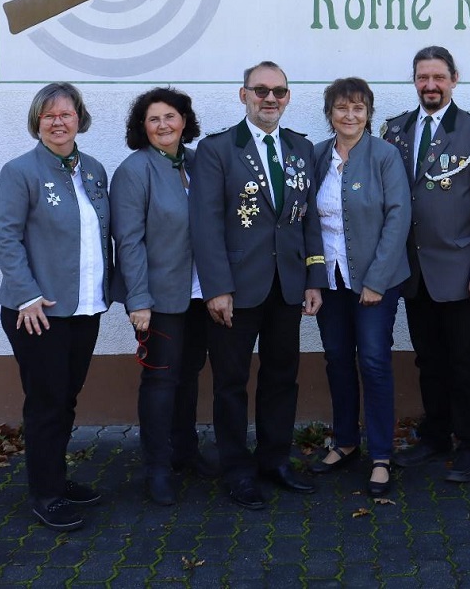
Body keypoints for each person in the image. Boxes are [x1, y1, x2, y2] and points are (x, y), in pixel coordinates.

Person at [189, 61, 326, 509]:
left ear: (288, 97)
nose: (271, 99)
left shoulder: (300, 148)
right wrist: (216, 288)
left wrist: (314, 277)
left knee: (282, 378)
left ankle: (275, 460)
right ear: (243, 94)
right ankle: (236, 468)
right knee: (231, 382)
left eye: (279, 92)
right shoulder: (218, 150)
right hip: (235, 288)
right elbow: (205, 225)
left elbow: (307, 221)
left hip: (287, 286)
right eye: (261, 90)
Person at [381, 46, 470, 483]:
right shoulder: (395, 130)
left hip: (462, 271)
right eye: (422, 77)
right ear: (414, 80)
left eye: (438, 77)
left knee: (465, 361)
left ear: (454, 78)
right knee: (427, 360)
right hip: (413, 272)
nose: (430, 85)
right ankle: (435, 436)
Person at [0, 82, 110, 532]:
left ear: (80, 118)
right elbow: (5, 236)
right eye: (49, 115)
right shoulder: (19, 171)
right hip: (36, 311)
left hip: (84, 308)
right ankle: (45, 493)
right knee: (46, 402)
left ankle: (56, 479)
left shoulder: (94, 170)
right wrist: (26, 293)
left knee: (66, 399)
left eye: (66, 113)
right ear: (37, 122)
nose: (58, 122)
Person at [110, 87, 217, 507]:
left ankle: (184, 452)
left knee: (189, 373)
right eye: (153, 119)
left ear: (185, 121)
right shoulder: (135, 171)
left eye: (170, 117)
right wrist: (138, 300)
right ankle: (156, 467)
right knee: (160, 380)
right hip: (157, 296)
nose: (163, 125)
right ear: (142, 127)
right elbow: (129, 241)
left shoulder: (196, 163)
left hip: (198, 293)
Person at [308, 78, 411, 497]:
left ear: (369, 113)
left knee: (372, 361)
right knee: (336, 359)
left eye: (358, 108)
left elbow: (398, 218)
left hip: (375, 283)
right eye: (341, 108)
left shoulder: (385, 155)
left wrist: (376, 281)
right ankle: (346, 441)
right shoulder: (315, 156)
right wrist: (313, 277)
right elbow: (306, 220)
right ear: (329, 113)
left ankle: (382, 454)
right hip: (330, 281)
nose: (349, 116)